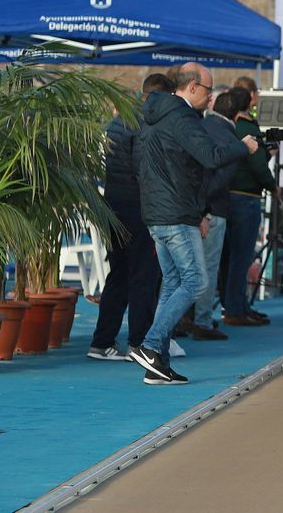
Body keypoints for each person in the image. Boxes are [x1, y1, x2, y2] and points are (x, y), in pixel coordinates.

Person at [131, 64, 257, 385]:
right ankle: (149, 344)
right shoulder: (181, 117)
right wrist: (243, 146)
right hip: (175, 214)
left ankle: (156, 363)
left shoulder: (156, 115)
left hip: (159, 213)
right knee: (196, 282)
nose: (212, 95)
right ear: (191, 88)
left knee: (173, 284)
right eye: (208, 89)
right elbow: (211, 156)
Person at [88, 73, 174, 363]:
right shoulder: (144, 124)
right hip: (139, 208)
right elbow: (143, 170)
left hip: (113, 204)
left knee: (119, 274)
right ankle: (138, 343)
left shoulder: (116, 121)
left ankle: (102, 342)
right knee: (143, 276)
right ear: (163, 97)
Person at [187, 89, 244, 340]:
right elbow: (221, 177)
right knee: (208, 266)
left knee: (184, 268)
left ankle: (183, 319)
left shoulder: (199, 125)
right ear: (238, 115)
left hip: (189, 208)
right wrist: (205, 207)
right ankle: (201, 321)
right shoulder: (230, 138)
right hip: (212, 211)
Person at [223, 86, 276, 326]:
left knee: (231, 257)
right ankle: (236, 309)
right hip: (246, 198)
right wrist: (273, 186)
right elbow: (258, 165)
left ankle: (237, 305)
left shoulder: (226, 128)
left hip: (227, 198)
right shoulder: (249, 130)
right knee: (241, 258)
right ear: (250, 102)